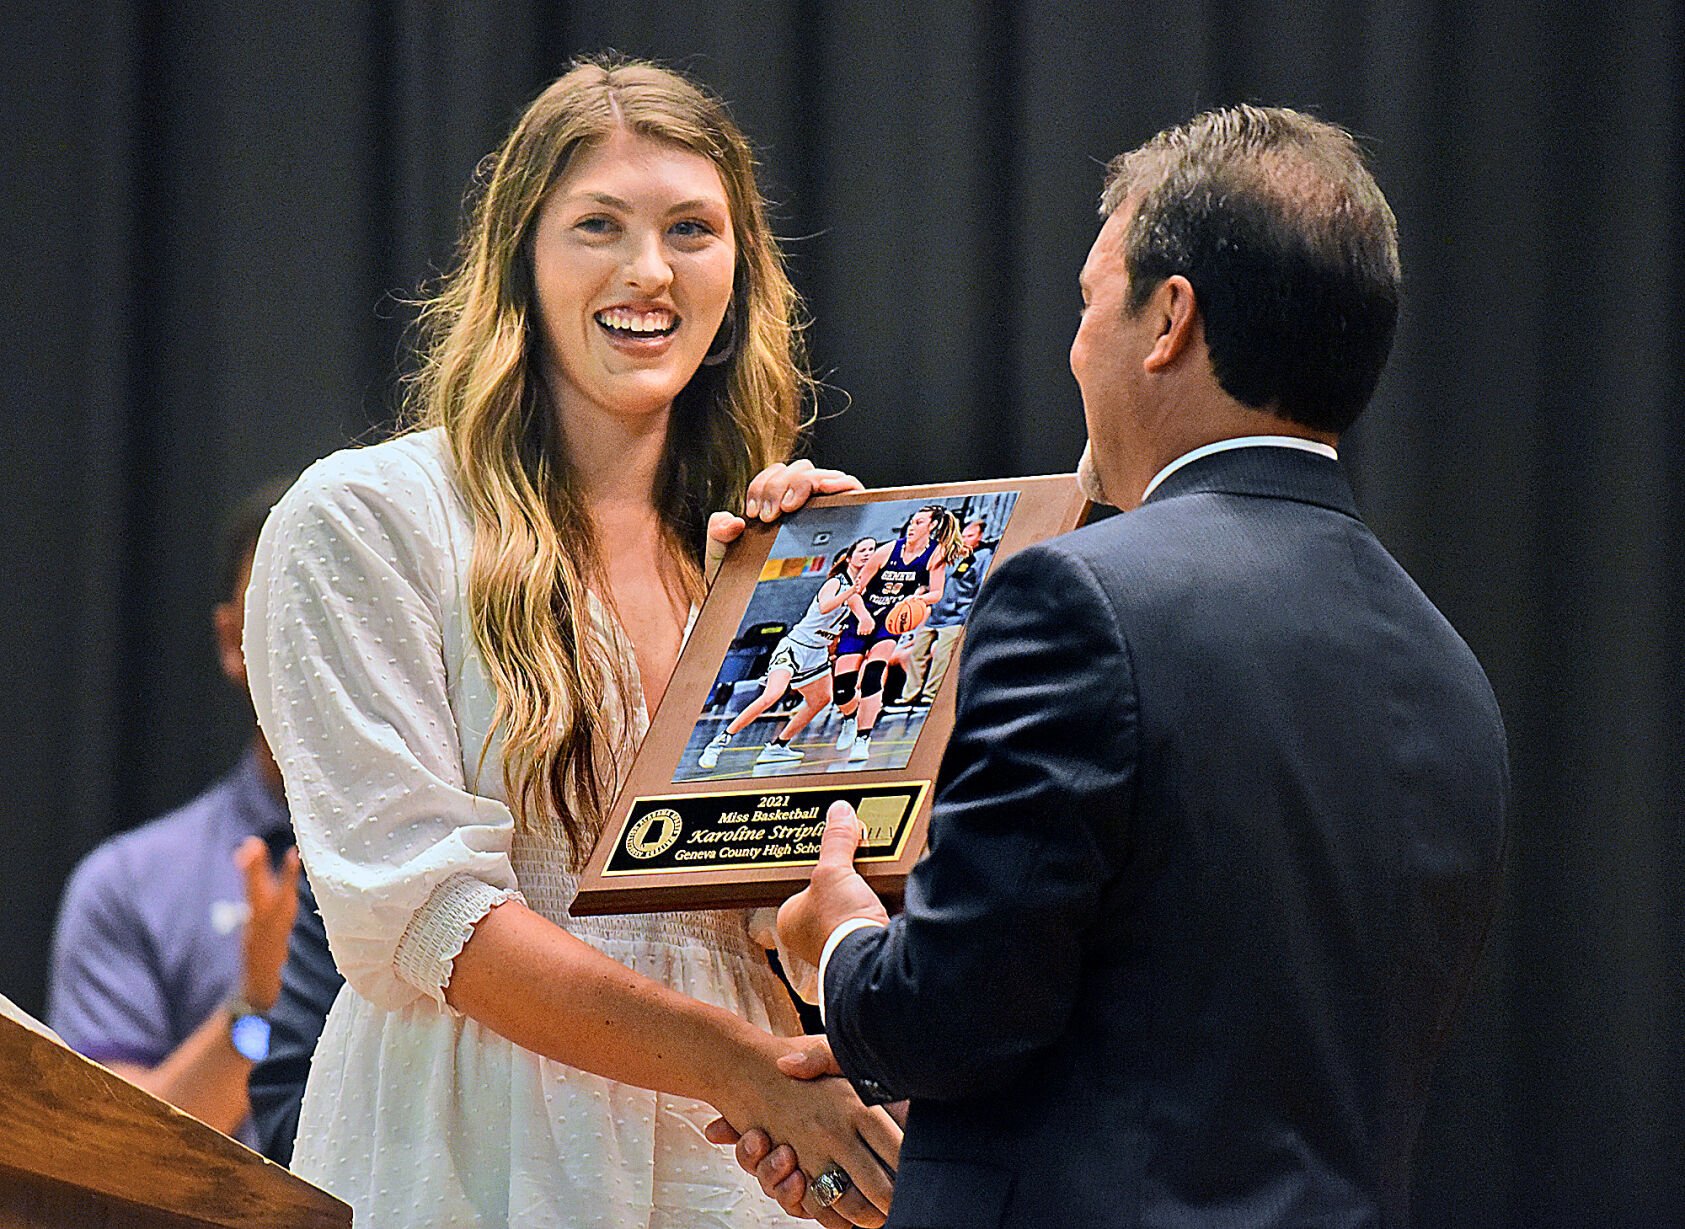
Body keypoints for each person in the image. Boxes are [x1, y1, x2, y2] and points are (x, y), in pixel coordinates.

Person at [731, 106, 1509, 1228]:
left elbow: (948, 1016)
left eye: (1089, 301)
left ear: (1167, 321)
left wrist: (837, 938)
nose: (1073, 347)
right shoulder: (1452, 675)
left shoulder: (1079, 596)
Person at [246, 57, 898, 1228]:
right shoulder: (369, 518)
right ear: (521, 259)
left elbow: (784, 908)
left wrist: (843, 634)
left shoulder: (756, 552)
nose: (647, 270)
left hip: (731, 1171)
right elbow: (430, 914)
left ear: (739, 269)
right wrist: (741, 1067)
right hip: (476, 1160)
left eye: (690, 228)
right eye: (597, 225)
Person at [47, 482, 301, 1145]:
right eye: (285, 610)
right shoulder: (128, 883)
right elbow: (113, 1152)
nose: (319, 646)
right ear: (232, 641)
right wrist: (255, 1006)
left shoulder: (479, 855)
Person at [699, 537, 877, 771]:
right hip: (795, 646)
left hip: (817, 652)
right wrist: (851, 595)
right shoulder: (836, 583)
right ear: (848, 558)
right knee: (772, 694)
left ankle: (778, 745)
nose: (867, 554)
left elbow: (861, 612)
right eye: (862, 550)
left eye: (872, 550)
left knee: (821, 699)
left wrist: (867, 619)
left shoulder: (858, 591)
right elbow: (825, 606)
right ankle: (718, 743)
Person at [830, 506, 963, 764]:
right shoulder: (886, 551)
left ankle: (863, 738)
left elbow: (936, 592)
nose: (912, 526)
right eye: (912, 521)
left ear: (932, 526)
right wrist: (864, 617)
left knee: (872, 675)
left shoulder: (935, 555)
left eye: (919, 522)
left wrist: (916, 600)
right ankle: (849, 717)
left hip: (889, 621)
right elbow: (855, 590)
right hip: (862, 616)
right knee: (843, 689)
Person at [888, 519, 991, 711]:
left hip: (956, 616)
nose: (965, 539)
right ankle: (909, 695)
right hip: (935, 614)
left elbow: (982, 585)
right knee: (917, 654)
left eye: (970, 535)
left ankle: (929, 696)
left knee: (941, 657)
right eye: (963, 535)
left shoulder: (984, 556)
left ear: (980, 537)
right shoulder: (949, 555)